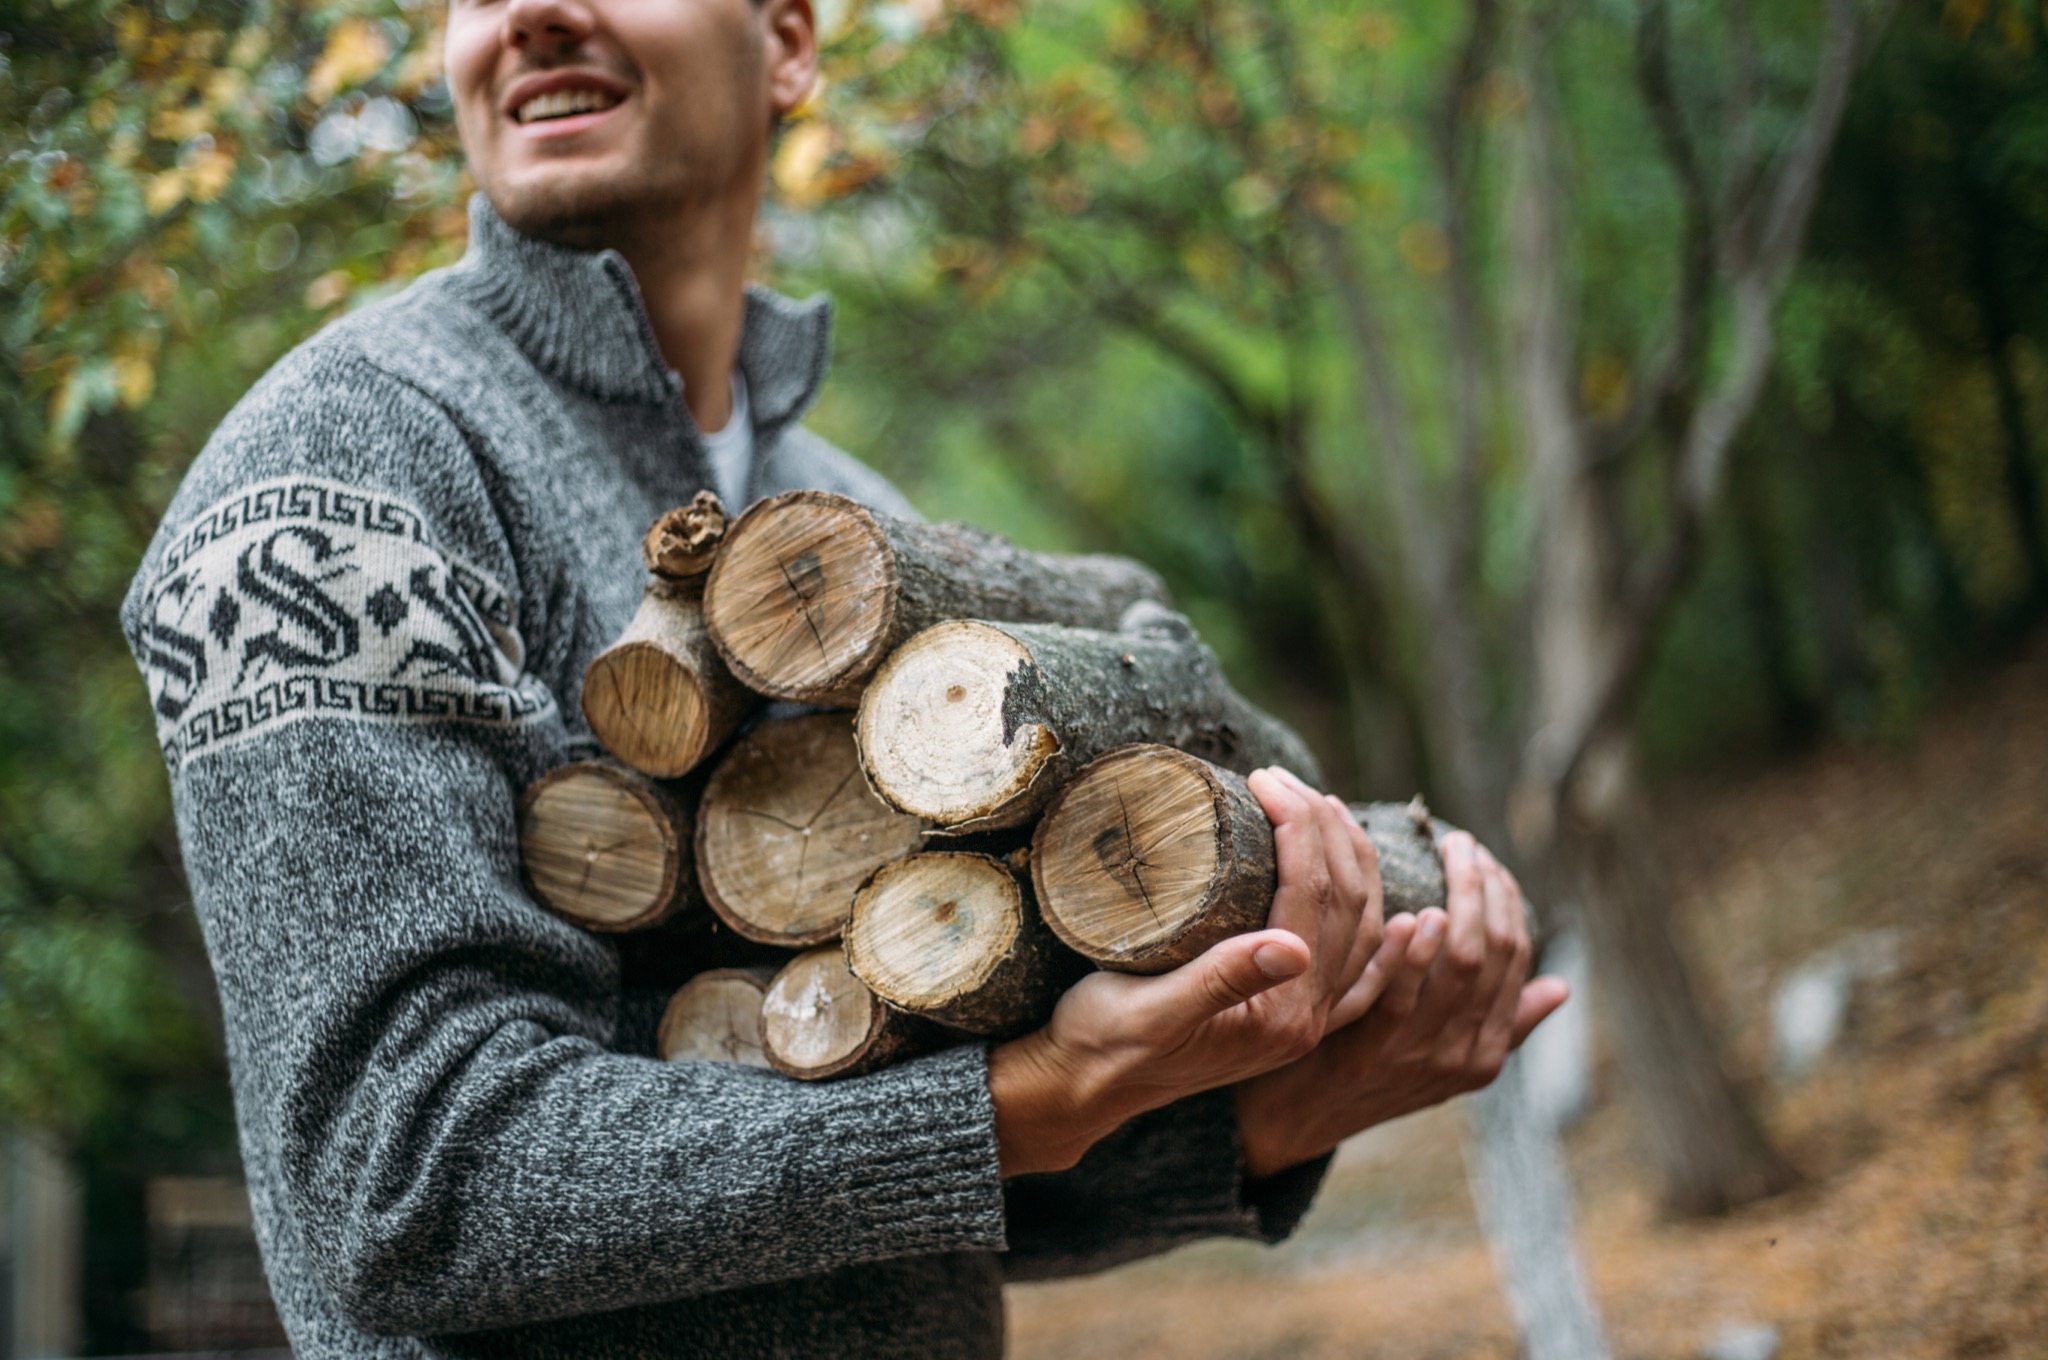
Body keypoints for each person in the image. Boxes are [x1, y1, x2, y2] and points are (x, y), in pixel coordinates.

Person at [120, 0, 1569, 1355]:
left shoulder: (852, 531)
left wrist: (1243, 1125)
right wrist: (1011, 1110)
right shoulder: (335, 474)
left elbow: (874, 1211)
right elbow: (408, 1177)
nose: (532, 11)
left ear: (792, 40)